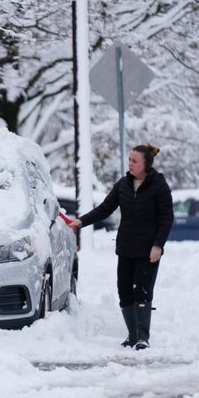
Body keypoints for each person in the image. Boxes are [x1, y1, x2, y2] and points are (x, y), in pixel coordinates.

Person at [69, 144, 174, 350]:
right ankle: (133, 335)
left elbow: (167, 218)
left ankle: (143, 337)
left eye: (135, 161)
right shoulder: (123, 185)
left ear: (146, 164)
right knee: (124, 291)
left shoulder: (158, 185)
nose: (130, 164)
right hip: (126, 248)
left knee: (142, 292)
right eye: (129, 160)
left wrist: (158, 245)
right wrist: (81, 221)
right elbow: (105, 209)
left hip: (148, 250)